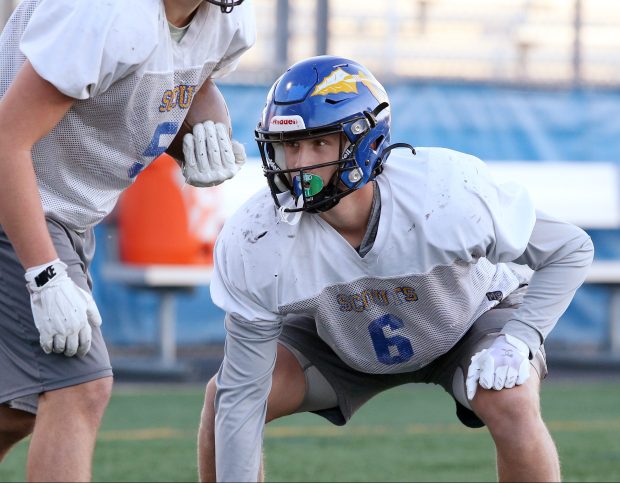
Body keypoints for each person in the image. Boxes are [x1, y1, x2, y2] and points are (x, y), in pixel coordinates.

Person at [198, 55, 594, 482]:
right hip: (339, 338)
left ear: (364, 143)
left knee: (511, 398)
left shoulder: (443, 193)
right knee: (226, 398)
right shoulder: (257, 237)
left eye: (318, 144)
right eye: (290, 145)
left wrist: (520, 338)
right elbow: (242, 397)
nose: (297, 165)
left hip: (469, 318)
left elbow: (569, 249)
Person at [0, 0, 254, 480]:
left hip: (66, 213)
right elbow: (6, 140)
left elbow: (190, 79)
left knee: (20, 407)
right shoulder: (106, 12)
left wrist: (207, 130)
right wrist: (45, 274)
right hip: (21, 200)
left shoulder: (223, 18)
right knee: (79, 386)